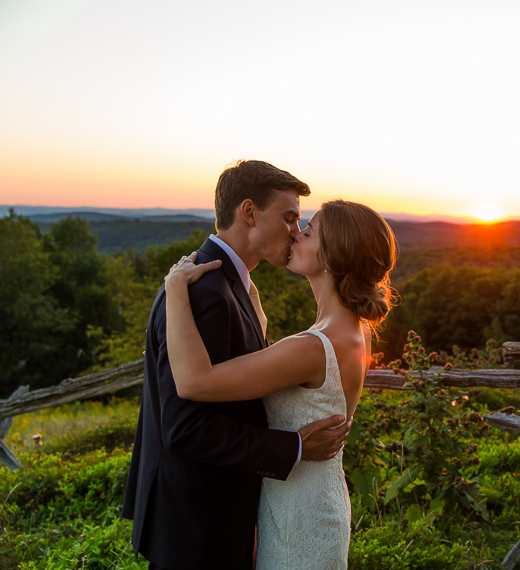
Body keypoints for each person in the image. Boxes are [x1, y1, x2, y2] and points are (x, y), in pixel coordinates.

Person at [121, 160, 352, 570]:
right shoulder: (205, 292)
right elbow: (185, 427)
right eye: (288, 217)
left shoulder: (225, 285)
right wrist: (294, 447)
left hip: (213, 517)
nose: (295, 231)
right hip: (199, 524)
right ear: (249, 213)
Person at [163, 198, 397, 569]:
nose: (294, 237)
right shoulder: (354, 330)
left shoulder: (313, 347)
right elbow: (286, 377)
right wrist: (249, 295)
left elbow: (194, 382)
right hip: (311, 501)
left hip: (298, 517)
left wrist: (174, 291)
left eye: (307, 232)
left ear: (333, 256)